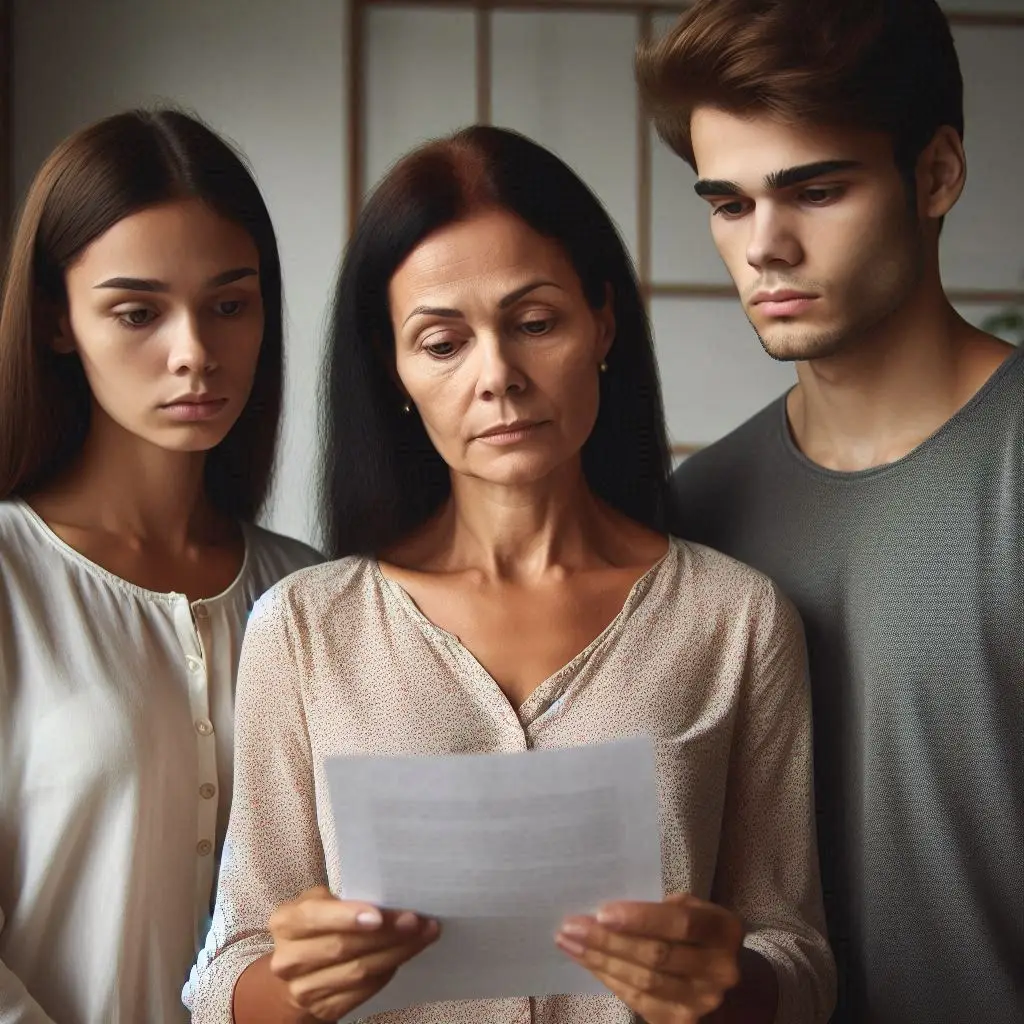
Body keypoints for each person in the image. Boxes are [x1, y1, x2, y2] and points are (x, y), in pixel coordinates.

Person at [184, 125, 835, 1024]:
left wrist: (730, 984)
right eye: (442, 343)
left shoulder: (735, 618)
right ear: (395, 369)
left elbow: (795, 952)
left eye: (535, 324)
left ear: (601, 321)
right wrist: (302, 983)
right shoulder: (302, 628)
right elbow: (228, 969)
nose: (498, 377)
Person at [636, 1, 1023, 1021]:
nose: (765, 247)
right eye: (728, 203)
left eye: (815, 190)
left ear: (934, 174)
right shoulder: (696, 512)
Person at [0, 108, 322, 1024]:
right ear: (59, 320)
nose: (196, 354)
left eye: (230, 304)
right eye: (138, 311)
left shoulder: (308, 597)